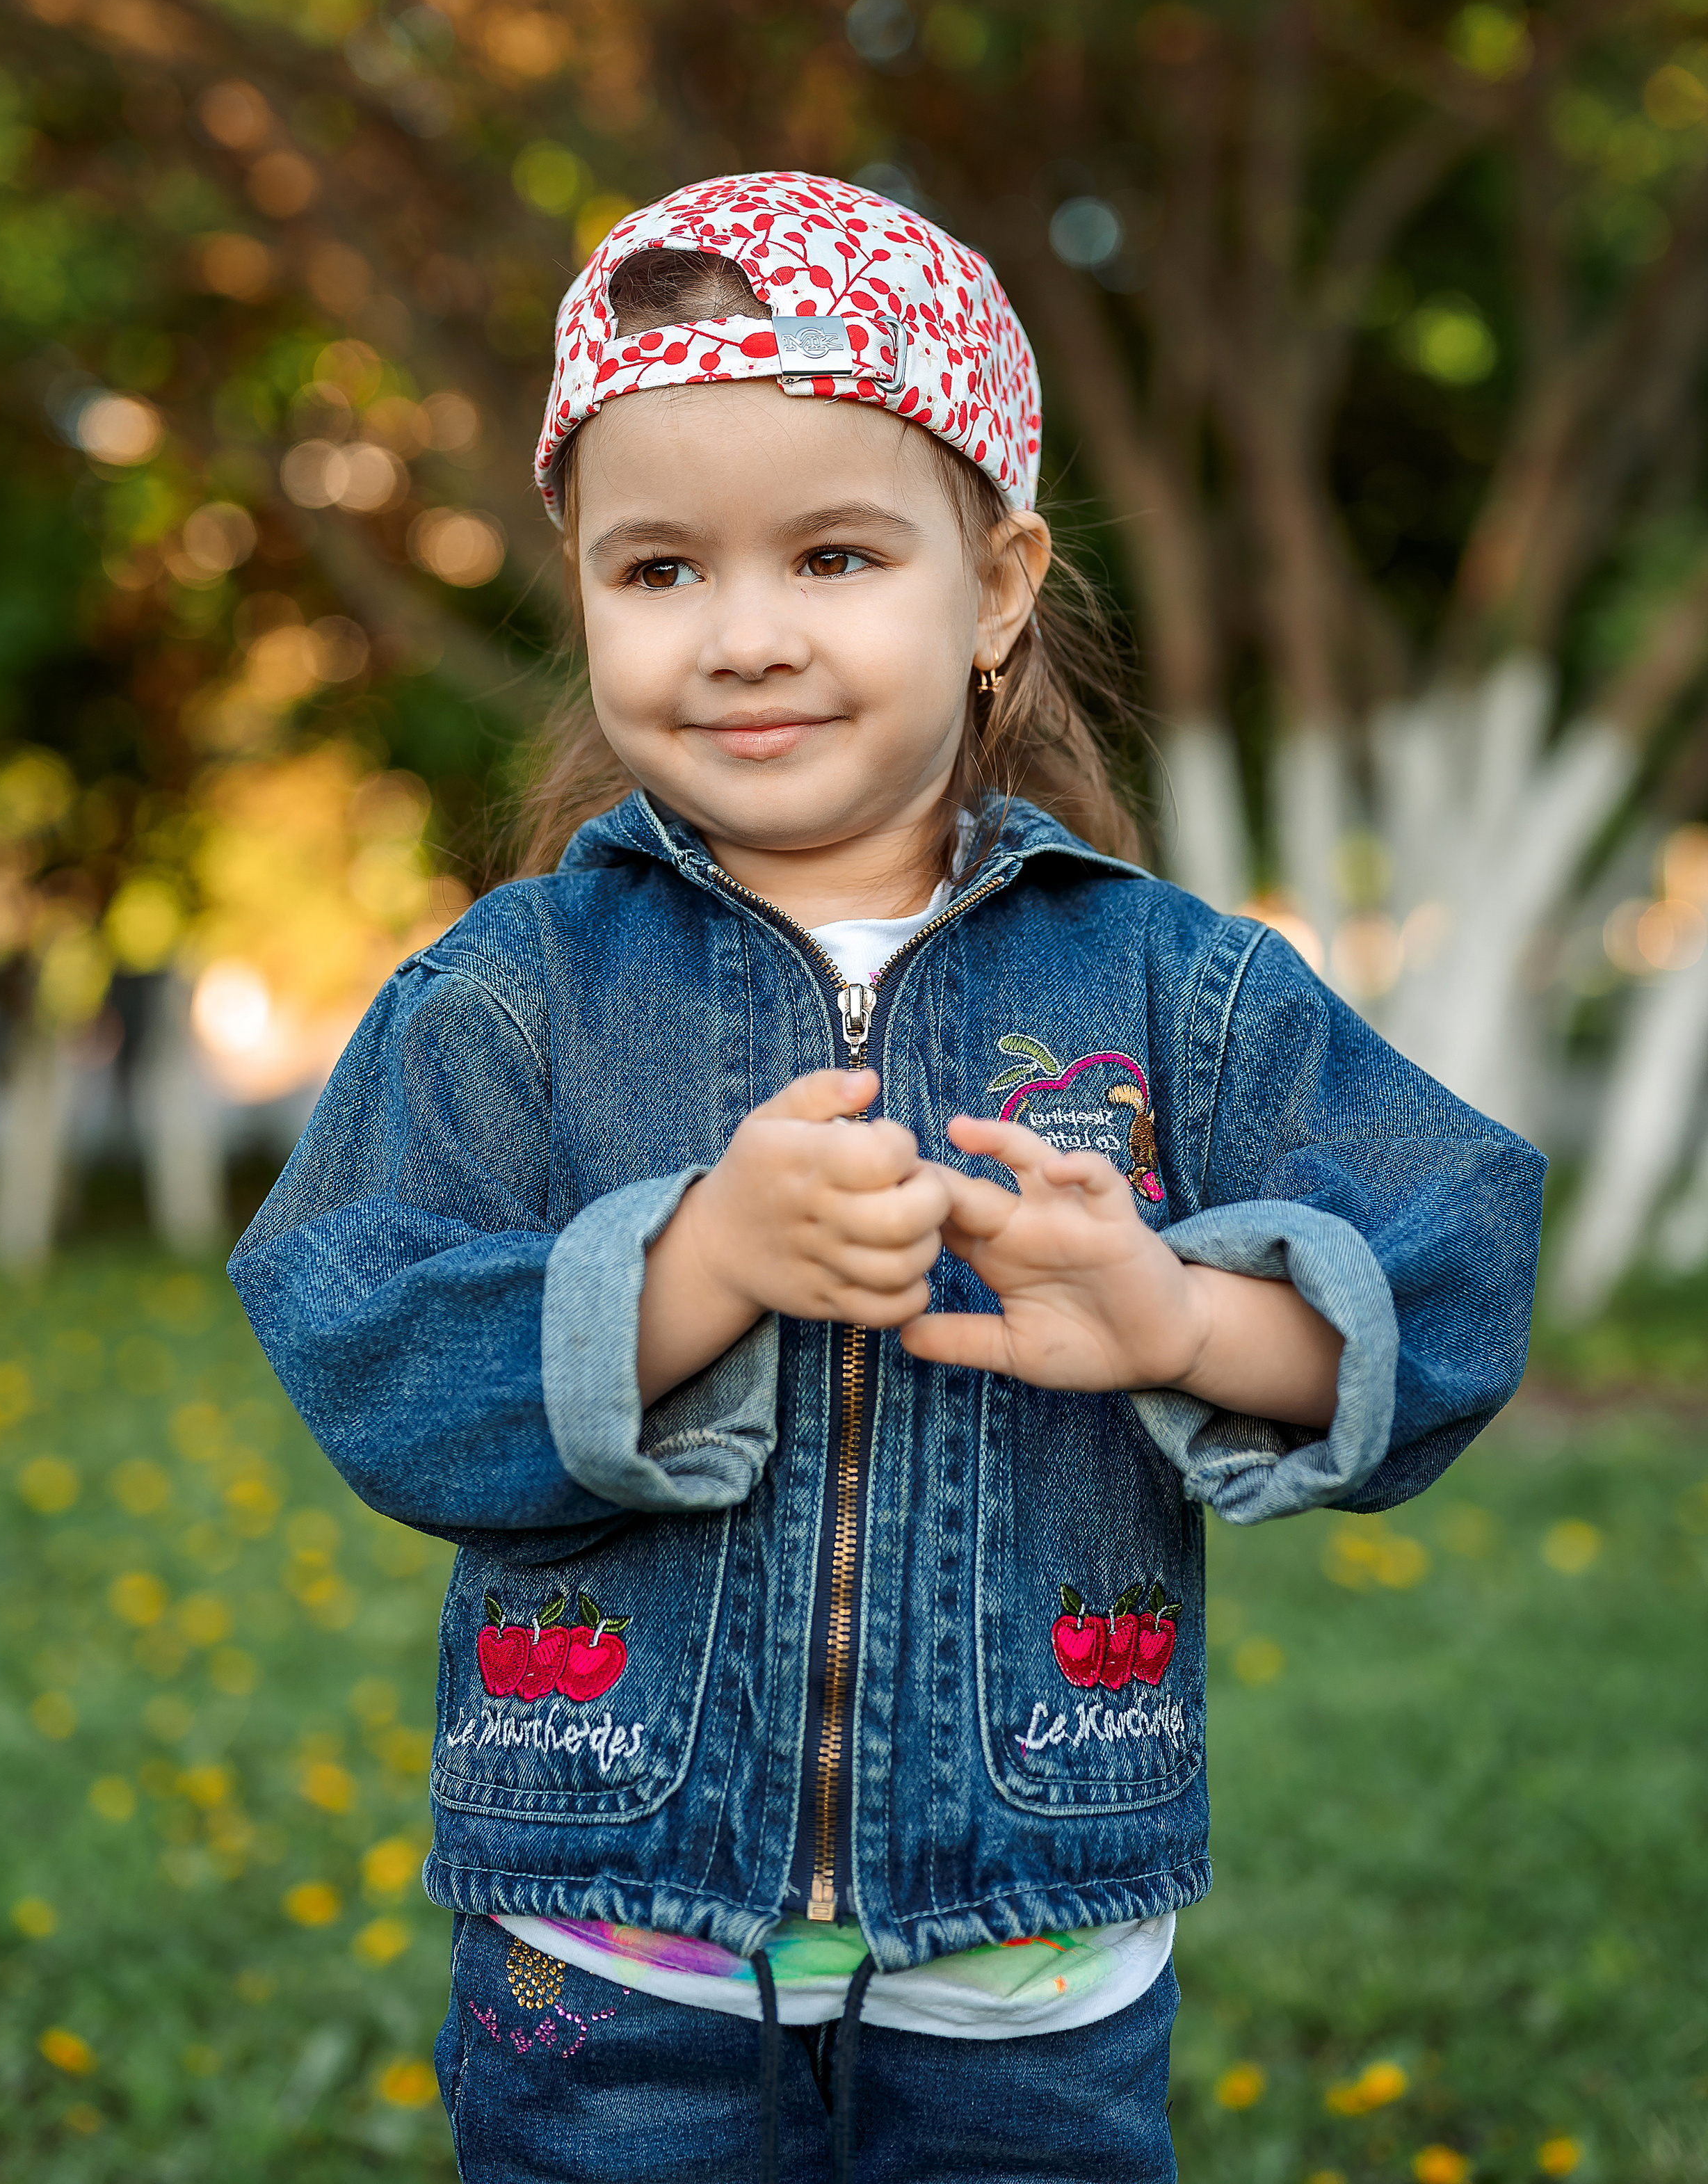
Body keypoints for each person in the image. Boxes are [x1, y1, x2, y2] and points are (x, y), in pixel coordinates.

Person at [229, 171, 1544, 2184]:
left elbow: (1457, 1259)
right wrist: (698, 1262)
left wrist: (1185, 1317)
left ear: (999, 581)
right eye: (659, 571)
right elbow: (359, 1321)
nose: (744, 638)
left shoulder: (1170, 987)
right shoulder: (517, 995)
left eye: (834, 555)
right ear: (581, 584)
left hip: (1031, 1948)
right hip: (611, 1951)